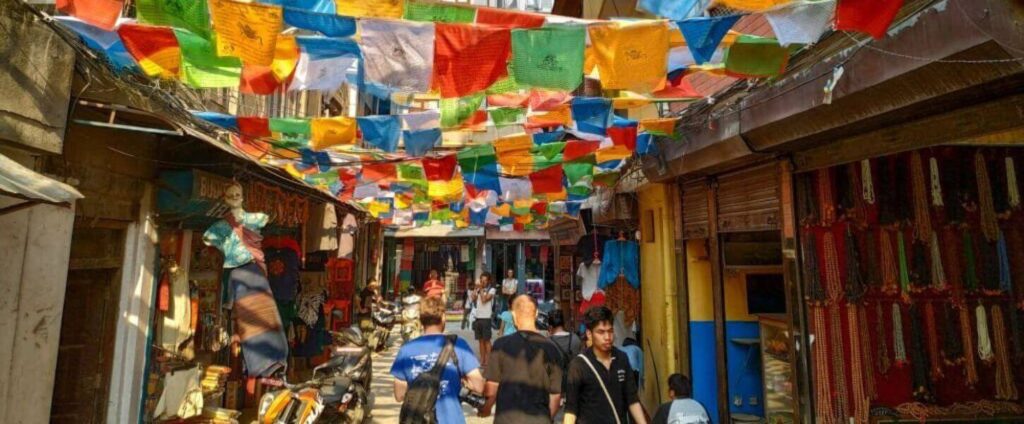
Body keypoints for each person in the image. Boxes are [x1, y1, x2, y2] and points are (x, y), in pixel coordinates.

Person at [390, 296, 485, 424]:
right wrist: (463, 383)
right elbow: (479, 386)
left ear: (421, 320)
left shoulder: (406, 350)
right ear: (443, 317)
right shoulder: (459, 345)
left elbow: (399, 395)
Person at [480, 294, 563, 423]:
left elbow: (491, 388)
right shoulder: (551, 348)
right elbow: (555, 395)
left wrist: (486, 409)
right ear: (536, 314)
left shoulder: (500, 345)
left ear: (513, 315)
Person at [564, 306, 647, 424]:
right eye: (601, 332)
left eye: (610, 331)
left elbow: (632, 400)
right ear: (589, 333)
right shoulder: (578, 365)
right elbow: (571, 411)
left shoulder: (621, 359)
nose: (607, 337)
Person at [548, 311, 581, 390]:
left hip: (555, 387)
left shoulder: (547, 343)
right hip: (574, 384)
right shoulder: (575, 339)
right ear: (564, 324)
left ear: (550, 327)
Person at [470, 273, 496, 367]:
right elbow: (472, 299)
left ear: (488, 281)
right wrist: (475, 289)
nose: (483, 282)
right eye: (481, 280)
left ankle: (489, 360)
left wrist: (480, 289)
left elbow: (484, 300)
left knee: (487, 341)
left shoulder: (492, 290)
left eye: (485, 281)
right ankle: (482, 360)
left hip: (486, 318)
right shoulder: (478, 289)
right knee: (480, 341)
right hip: (478, 318)